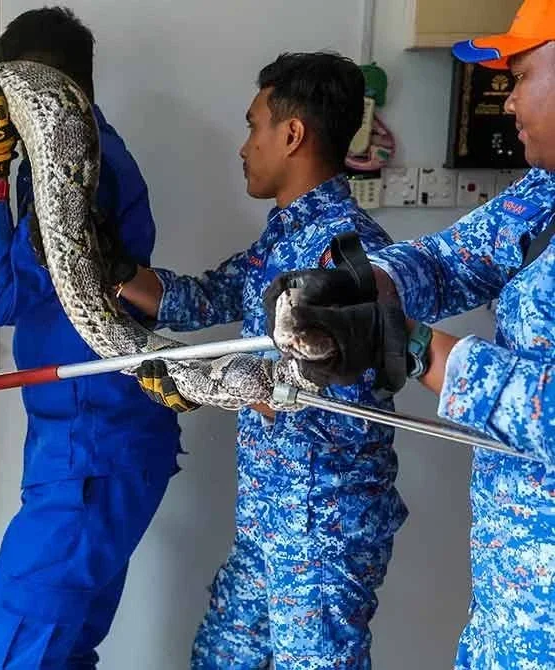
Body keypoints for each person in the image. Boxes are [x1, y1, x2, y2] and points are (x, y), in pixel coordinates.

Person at [261, 3, 555, 667]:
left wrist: (416, 349)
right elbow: (453, 259)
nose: (507, 102)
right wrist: (359, 284)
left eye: (523, 75)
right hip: (511, 609)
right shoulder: (543, 194)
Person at [118, 52, 409, 669]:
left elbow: (346, 392)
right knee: (219, 659)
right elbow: (207, 297)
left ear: (292, 134)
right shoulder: (281, 238)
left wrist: (211, 386)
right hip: (266, 520)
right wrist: (113, 275)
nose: (244, 146)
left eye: (254, 126)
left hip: (322, 532)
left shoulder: (348, 253)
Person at [0, 7, 183, 668]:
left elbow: (0, 299)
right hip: (90, 444)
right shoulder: (76, 156)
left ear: (36, 89)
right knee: (66, 648)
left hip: (91, 452)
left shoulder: (84, 170)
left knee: (12, 654)